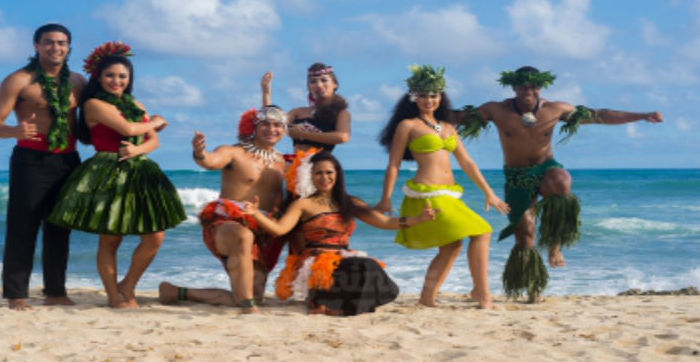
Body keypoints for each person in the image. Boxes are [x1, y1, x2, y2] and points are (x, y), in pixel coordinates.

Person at [455, 65, 663, 302]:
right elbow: (460, 118)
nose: (528, 90)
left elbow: (599, 115)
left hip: (546, 168)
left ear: (540, 86)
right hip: (516, 176)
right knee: (524, 234)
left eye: (533, 85)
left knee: (561, 180)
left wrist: (642, 115)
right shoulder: (497, 109)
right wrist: (421, 111)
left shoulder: (555, 109)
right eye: (522, 85)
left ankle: (555, 244)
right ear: (513, 87)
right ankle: (533, 288)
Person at [47, 41, 186, 308]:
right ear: (98, 77)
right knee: (111, 238)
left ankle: (128, 285)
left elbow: (153, 141)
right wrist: (154, 122)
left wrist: (137, 151)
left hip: (139, 171)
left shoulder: (135, 103)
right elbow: (128, 128)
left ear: (129, 79)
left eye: (122, 76)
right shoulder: (94, 105)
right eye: (110, 75)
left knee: (155, 236)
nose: (116, 80)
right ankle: (114, 296)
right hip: (107, 171)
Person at [375, 65, 509, 309]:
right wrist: (386, 198)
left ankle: (427, 298)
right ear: (414, 97)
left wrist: (489, 193)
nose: (429, 100)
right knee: (482, 231)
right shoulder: (407, 125)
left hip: (449, 194)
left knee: (452, 246)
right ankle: (482, 293)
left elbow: (466, 162)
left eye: (434, 95)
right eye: (424, 95)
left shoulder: (448, 127)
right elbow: (393, 164)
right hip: (428, 194)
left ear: (441, 97)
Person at [240, 151, 436, 315]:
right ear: (309, 176)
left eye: (328, 172)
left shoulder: (349, 202)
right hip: (318, 265)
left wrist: (418, 219)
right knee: (365, 267)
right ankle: (324, 301)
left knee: (388, 288)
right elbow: (280, 228)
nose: (324, 177)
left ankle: (330, 306)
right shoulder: (303, 204)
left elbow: (384, 222)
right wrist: (256, 214)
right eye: (318, 173)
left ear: (337, 174)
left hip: (344, 259)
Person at [0, 23, 86, 310]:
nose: (56, 48)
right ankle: (16, 294)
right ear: (36, 46)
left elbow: (97, 113)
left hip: (68, 160)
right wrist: (13, 131)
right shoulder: (19, 80)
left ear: (69, 47)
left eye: (62, 43)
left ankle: (55, 292)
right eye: (49, 42)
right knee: (22, 226)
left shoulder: (78, 82)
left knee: (59, 227)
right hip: (30, 160)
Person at [158, 106, 288, 313]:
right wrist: (200, 153)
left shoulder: (283, 163)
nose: (271, 129)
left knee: (253, 295)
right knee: (243, 237)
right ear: (253, 126)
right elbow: (210, 161)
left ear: (285, 130)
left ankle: (175, 292)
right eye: (265, 123)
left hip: (261, 230)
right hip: (226, 223)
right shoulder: (234, 152)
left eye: (278, 125)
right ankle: (248, 309)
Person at [260, 63, 351, 153]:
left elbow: (342, 137)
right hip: (296, 164)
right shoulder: (297, 112)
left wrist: (303, 134)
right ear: (309, 87)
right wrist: (266, 93)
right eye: (313, 81)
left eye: (324, 80)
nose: (318, 85)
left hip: (320, 165)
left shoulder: (341, 113)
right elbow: (270, 120)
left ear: (334, 84)